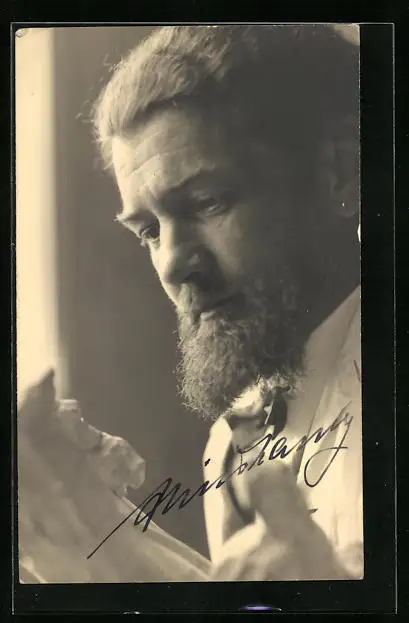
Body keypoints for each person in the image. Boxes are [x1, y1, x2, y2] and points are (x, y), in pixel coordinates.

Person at [90, 24, 362, 581]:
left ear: (339, 175)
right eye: (148, 232)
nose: (172, 263)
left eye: (207, 202)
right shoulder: (232, 444)